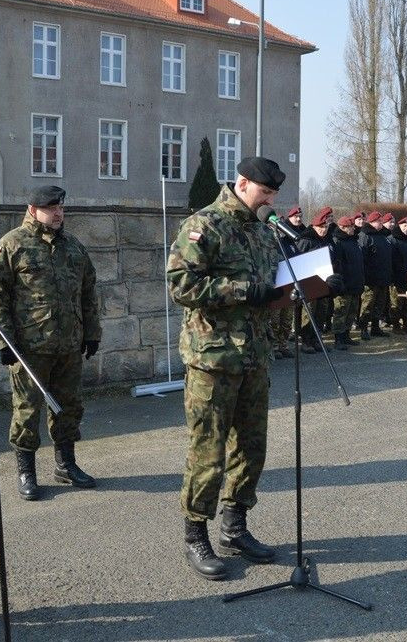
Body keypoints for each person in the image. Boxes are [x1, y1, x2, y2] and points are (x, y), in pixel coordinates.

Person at [166, 156, 286, 580]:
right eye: (264, 193)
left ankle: (235, 525)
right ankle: (196, 534)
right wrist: (241, 289)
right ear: (242, 183)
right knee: (208, 451)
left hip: (254, 356)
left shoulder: (263, 229)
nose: (269, 201)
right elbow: (180, 284)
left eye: (273, 195)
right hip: (212, 360)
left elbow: (271, 285)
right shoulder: (207, 224)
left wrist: (307, 281)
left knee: (251, 447)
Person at [0, 185, 102, 501]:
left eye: (61, 208)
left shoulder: (73, 248)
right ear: (33, 210)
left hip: (68, 346)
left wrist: (92, 332)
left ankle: (65, 464)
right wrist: (4, 340)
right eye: (52, 209)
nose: (59, 214)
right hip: (28, 348)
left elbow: (88, 292)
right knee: (27, 410)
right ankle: (27, 472)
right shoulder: (12, 245)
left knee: (69, 406)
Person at [295, 207, 343, 353]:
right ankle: (306, 341)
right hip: (309, 282)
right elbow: (297, 260)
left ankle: (316, 339)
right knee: (308, 312)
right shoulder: (306, 240)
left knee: (321, 312)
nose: (324, 230)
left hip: (325, 281)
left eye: (326, 227)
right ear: (314, 226)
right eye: (321, 227)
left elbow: (334, 258)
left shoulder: (328, 241)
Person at [268, 207, 304, 358]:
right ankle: (274, 347)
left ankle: (283, 345)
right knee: (274, 320)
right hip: (275, 286)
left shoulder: (288, 243)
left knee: (287, 319)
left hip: (289, 286)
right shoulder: (269, 243)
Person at [357, 211, 394, 340]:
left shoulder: (384, 236)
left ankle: (375, 327)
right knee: (368, 304)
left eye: (381, 221)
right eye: (378, 221)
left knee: (380, 304)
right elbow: (362, 258)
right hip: (371, 278)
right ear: (372, 222)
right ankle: (363, 328)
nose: (381, 224)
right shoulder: (365, 235)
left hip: (383, 277)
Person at [331, 215, 365, 348]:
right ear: (342, 227)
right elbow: (338, 265)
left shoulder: (353, 241)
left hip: (355, 283)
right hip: (345, 284)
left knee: (351, 312)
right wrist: (341, 284)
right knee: (341, 312)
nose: (353, 229)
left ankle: (346, 335)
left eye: (353, 227)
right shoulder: (338, 241)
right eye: (350, 227)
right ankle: (338, 338)